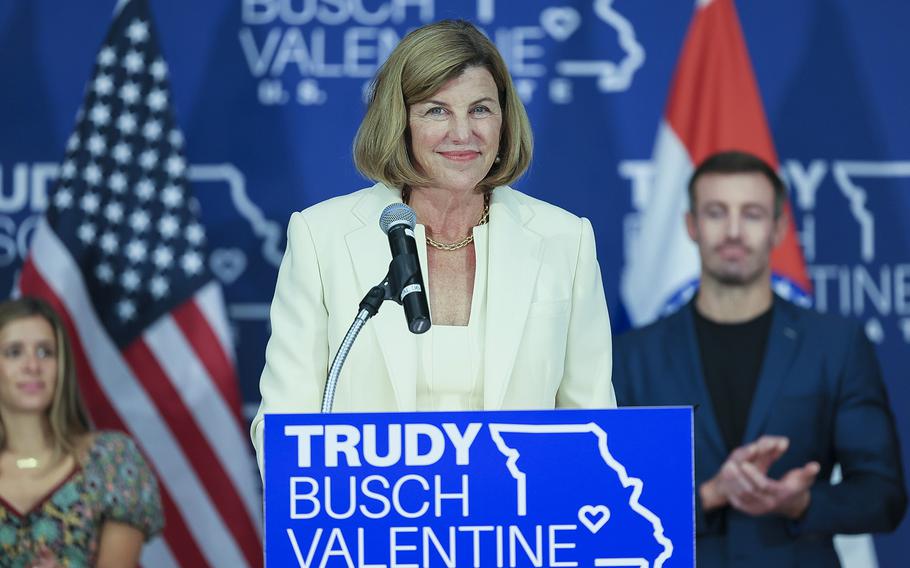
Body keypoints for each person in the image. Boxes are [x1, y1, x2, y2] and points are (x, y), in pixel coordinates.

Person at [251, 19, 615, 467]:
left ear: (504, 120)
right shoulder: (321, 237)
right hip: (375, 522)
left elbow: (594, 422)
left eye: (480, 109)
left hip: (517, 525)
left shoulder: (565, 241)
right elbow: (284, 425)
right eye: (436, 110)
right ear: (399, 123)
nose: (462, 133)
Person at [613, 150, 907, 566]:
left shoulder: (836, 344)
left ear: (778, 228)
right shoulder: (632, 355)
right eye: (716, 213)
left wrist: (801, 502)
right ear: (691, 225)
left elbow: (883, 497)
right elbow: (606, 501)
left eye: (751, 214)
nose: (733, 231)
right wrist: (711, 494)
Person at [0, 297, 163, 567]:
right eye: (14, 352)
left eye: (45, 352)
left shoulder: (111, 460)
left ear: (61, 365)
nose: (32, 366)